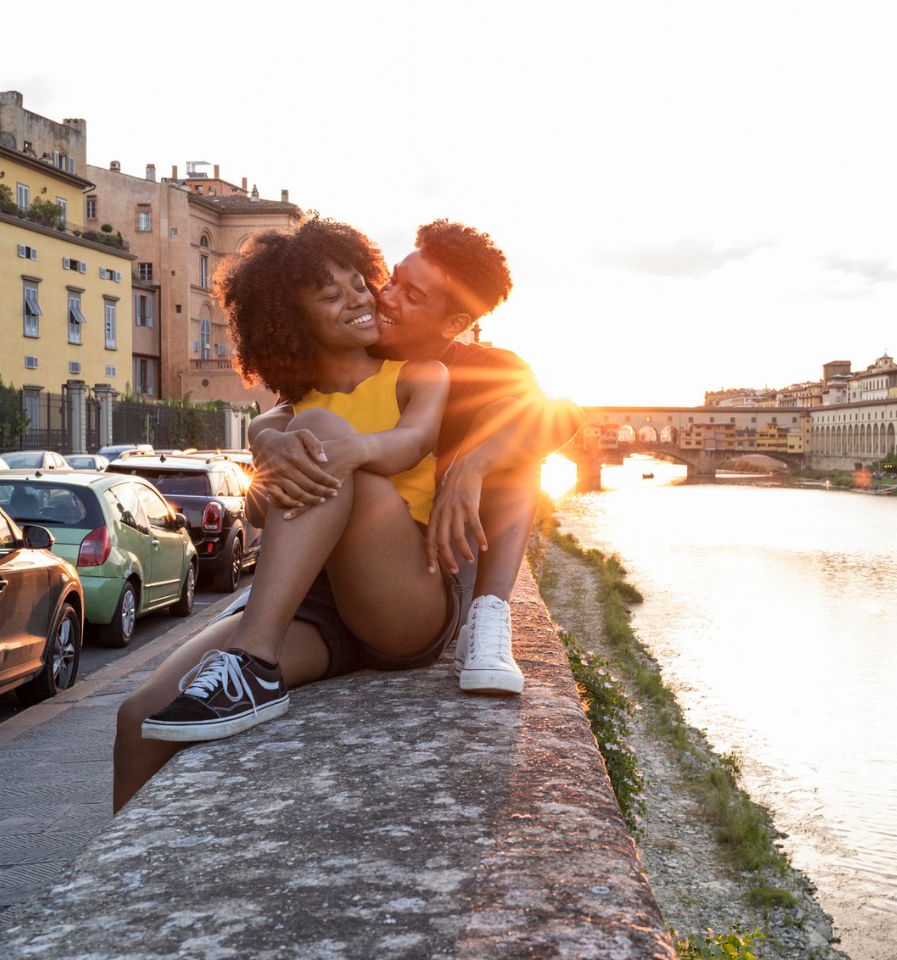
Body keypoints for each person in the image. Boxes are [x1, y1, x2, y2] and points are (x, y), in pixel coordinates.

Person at [113, 219, 580, 812]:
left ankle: (486, 616)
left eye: (409, 295)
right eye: (391, 282)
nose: (380, 298)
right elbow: (269, 468)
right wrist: (267, 446)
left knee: (357, 439)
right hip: (318, 611)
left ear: (452, 321)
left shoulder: (455, 369)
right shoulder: (318, 386)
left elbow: (557, 417)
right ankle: (116, 902)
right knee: (138, 716)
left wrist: (473, 464)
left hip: (402, 594)